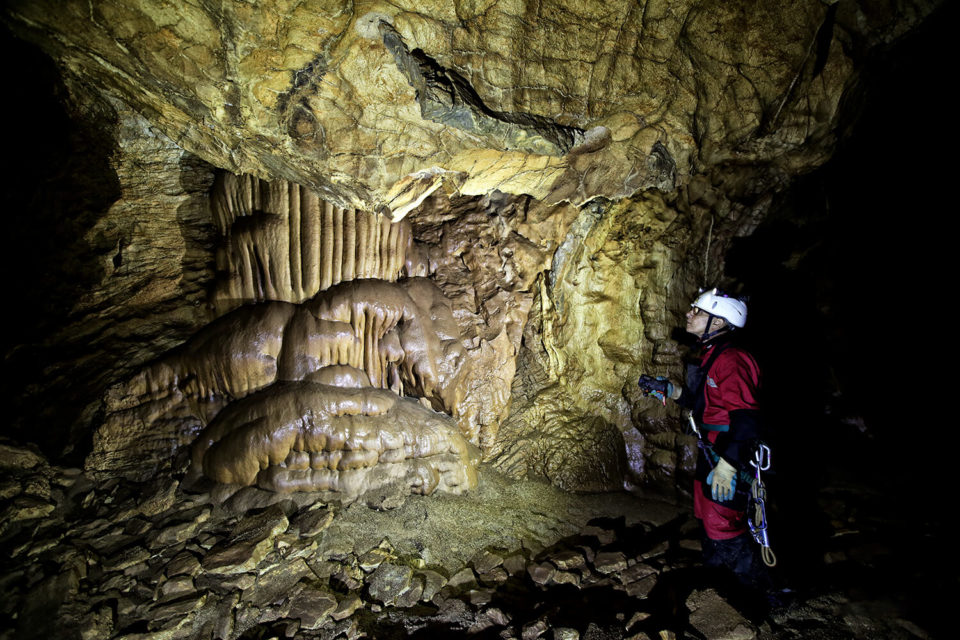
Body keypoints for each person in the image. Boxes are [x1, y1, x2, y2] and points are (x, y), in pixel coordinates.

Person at [639, 288, 770, 591]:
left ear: (719, 323)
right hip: (712, 448)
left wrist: (728, 465)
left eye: (698, 311)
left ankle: (763, 595)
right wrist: (670, 391)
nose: (689, 314)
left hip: (730, 453)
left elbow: (747, 419)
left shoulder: (733, 360)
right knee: (705, 515)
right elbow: (706, 402)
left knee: (721, 521)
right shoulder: (714, 354)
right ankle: (719, 584)